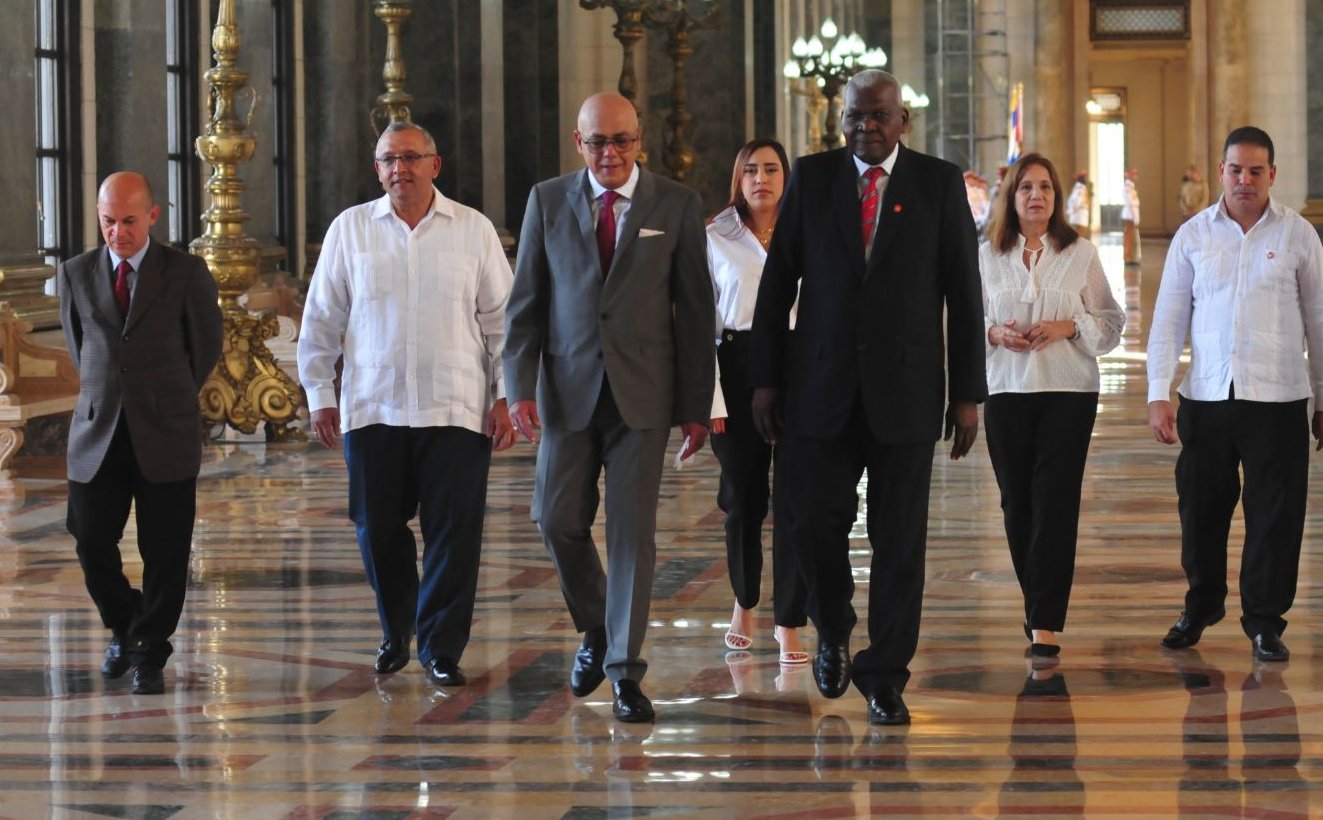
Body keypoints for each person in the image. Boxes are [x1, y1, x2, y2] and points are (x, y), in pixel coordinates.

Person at [749, 69, 986, 726]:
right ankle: (832, 626)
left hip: (906, 395)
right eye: (854, 116)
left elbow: (963, 297)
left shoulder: (937, 184)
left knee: (898, 540)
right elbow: (776, 288)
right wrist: (765, 379)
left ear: (902, 118)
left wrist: (967, 394)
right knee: (809, 523)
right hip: (817, 389)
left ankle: (883, 674)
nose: (865, 127)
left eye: (878, 115)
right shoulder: (813, 177)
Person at [504, 92, 714, 723]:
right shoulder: (547, 199)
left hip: (643, 399)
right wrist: (516, 387)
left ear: (639, 139)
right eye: (598, 142)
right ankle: (596, 626)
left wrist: (696, 406)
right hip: (566, 394)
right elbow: (526, 304)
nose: (611, 153)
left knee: (632, 539)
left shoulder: (674, 204)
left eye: (622, 140)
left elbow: (696, 312)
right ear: (579, 143)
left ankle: (624, 669)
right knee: (554, 519)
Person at [297, 121, 514, 688]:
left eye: (412, 157)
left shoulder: (473, 229)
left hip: (456, 407)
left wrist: (505, 395)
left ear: (434, 165)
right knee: (376, 528)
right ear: (378, 170)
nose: (402, 169)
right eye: (390, 160)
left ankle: (441, 646)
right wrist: (320, 395)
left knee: (454, 532)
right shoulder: (350, 230)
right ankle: (397, 630)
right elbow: (321, 320)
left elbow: (503, 323)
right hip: (373, 408)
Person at [1148, 126, 1323, 663]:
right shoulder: (1194, 235)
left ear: (1272, 175)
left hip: (1279, 399)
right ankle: (1201, 605)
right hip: (1206, 397)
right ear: (1221, 171)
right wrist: (1159, 391)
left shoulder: (1298, 236)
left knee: (1275, 515)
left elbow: (1319, 321)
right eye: (1235, 169)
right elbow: (1170, 317)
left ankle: (1265, 621)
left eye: (1255, 171)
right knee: (1200, 511)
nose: (1244, 180)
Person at [58, 172, 223, 695]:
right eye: (108, 221)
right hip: (97, 432)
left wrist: (166, 398)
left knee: (166, 549)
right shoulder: (76, 274)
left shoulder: (186, 272)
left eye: (128, 221)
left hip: (165, 430)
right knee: (89, 539)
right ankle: (126, 625)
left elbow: (204, 349)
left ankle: (150, 647)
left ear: (152, 216)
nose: (117, 232)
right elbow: (78, 344)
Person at [981, 153, 1124, 660]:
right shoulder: (986, 255)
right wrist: (995, 333)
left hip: (1069, 390)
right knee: (1017, 503)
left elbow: (1110, 321)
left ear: (1057, 197)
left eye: (1045, 186)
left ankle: (1045, 620)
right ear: (1011, 197)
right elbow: (961, 326)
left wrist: (1069, 326)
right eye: (1026, 187)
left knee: (1056, 502)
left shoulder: (1080, 252)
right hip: (1007, 391)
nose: (1036, 195)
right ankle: (1035, 598)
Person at [707, 138, 808, 666]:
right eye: (750, 170)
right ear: (737, 179)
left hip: (798, 366)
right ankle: (745, 601)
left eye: (771, 169)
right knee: (743, 499)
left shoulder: (808, 231)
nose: (760, 178)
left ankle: (790, 619)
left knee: (796, 500)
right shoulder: (715, 236)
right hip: (737, 366)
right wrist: (712, 401)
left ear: (786, 177)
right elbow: (702, 326)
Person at [1121, 169, 1141, 264]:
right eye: (1134, 175)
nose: (1136, 177)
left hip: (1131, 215)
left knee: (1132, 237)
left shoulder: (1131, 187)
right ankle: (1128, 257)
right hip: (1130, 215)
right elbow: (1130, 202)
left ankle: (1131, 257)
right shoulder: (1128, 187)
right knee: (1129, 237)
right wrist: (1134, 216)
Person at [1066, 171, 1090, 236]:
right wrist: (1075, 207)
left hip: (1078, 211)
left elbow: (1077, 198)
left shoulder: (1079, 187)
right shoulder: (1081, 187)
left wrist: (1075, 207)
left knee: (1078, 231)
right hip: (1079, 211)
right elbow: (1078, 198)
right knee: (1079, 230)